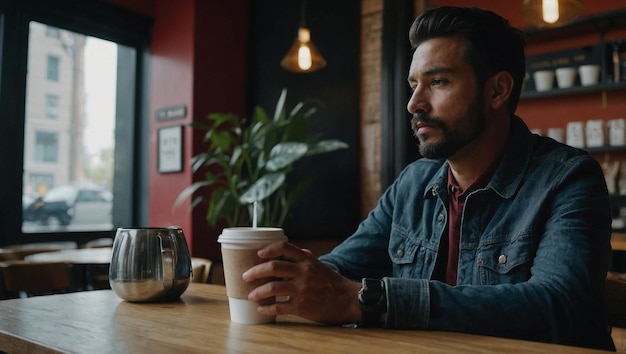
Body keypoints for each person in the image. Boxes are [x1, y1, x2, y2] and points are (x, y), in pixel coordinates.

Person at [242, 6, 614, 351]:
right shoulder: (414, 183)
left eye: (437, 82)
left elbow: (560, 306)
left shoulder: (568, 178)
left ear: (498, 90)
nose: (414, 103)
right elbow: (340, 270)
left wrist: (369, 300)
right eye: (414, 84)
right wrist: (294, 278)